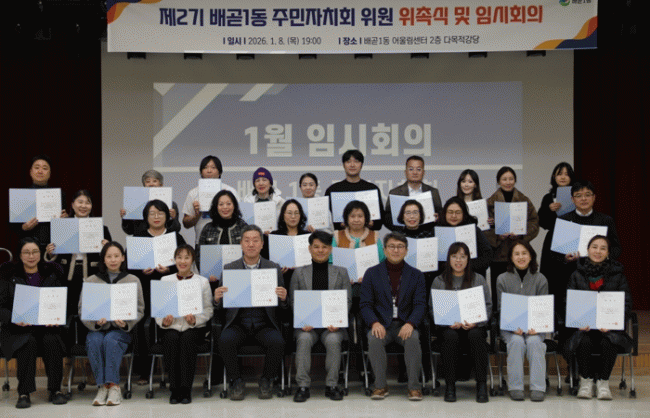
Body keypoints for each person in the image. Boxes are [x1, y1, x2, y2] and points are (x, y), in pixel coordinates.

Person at [213, 225, 288, 401]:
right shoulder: (230, 268)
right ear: (241, 244)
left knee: (278, 342)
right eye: (247, 240)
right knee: (225, 340)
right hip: (238, 323)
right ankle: (236, 381)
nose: (251, 244)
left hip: (264, 323)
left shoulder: (273, 268)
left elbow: (283, 308)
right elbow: (220, 307)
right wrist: (216, 299)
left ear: (262, 244)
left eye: (255, 240)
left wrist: (284, 299)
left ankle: (266, 380)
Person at [0, 238, 67, 408]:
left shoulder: (52, 273)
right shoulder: (9, 276)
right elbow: (1, 307)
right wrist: (14, 318)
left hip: (47, 327)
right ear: (20, 255)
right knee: (27, 342)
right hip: (18, 329)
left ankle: (56, 390)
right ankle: (24, 393)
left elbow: (62, 302)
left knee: (51, 340)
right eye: (26, 252)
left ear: (40, 253)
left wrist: (57, 318)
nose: (31, 256)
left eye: (35, 252)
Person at [359, 232, 426, 401]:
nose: (396, 250)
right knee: (374, 338)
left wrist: (411, 323)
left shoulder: (416, 274)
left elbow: (420, 304)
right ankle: (380, 386)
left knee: (413, 338)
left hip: (405, 324)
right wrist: (374, 323)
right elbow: (365, 304)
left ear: (406, 250)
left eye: (400, 247)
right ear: (384, 250)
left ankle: (414, 387)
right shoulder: (371, 273)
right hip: (381, 324)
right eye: (392, 246)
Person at [566, 235, 632, 401]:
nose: (598, 251)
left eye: (603, 248)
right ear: (587, 250)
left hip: (609, 328)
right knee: (584, 340)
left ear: (608, 253)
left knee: (609, 341)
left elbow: (626, 304)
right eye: (594, 247)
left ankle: (603, 383)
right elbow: (568, 302)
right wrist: (577, 322)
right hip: (584, 328)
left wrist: (613, 324)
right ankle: (586, 382)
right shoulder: (576, 274)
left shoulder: (618, 274)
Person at [289, 231, 352, 402]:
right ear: (310, 249)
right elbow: (293, 300)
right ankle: (303, 386)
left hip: (332, 326)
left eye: (324, 247)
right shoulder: (299, 273)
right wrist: (303, 320)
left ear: (330, 249)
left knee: (333, 340)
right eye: (316, 247)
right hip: (307, 326)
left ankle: (332, 385)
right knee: (303, 339)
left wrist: (337, 321)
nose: (320, 250)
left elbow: (347, 300)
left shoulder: (341, 272)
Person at [541, 180, 622, 311]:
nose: (583, 199)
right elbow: (554, 253)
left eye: (587, 195)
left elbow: (617, 248)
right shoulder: (563, 220)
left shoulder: (605, 220)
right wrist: (565, 258)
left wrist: (602, 256)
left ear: (594, 197)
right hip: (570, 275)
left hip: (599, 276)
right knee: (572, 314)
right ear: (572, 199)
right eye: (578, 195)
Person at [80, 242, 145, 406]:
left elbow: (140, 309)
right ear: (103, 259)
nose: (113, 260)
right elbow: (82, 309)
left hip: (121, 330)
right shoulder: (91, 280)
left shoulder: (133, 280)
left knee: (111, 339)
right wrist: (95, 323)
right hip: (98, 329)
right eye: (109, 256)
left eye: (116, 256)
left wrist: (126, 323)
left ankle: (114, 386)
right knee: (94, 340)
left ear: (123, 258)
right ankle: (102, 387)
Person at [132, 199, 187, 384]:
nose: (156, 217)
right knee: (143, 329)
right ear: (146, 217)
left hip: (170, 288)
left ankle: (173, 369)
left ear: (167, 216)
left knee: (170, 327)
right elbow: (129, 267)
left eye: (160, 213)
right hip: (145, 289)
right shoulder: (138, 237)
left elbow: (186, 263)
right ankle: (144, 371)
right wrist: (141, 270)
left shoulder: (176, 237)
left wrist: (170, 270)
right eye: (152, 213)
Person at [431, 242, 492, 403]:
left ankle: (481, 384)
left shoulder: (478, 279)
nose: (458, 260)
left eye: (462, 256)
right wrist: (447, 322)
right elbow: (432, 308)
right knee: (450, 336)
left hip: (473, 327)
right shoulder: (439, 281)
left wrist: (476, 322)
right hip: (449, 328)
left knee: (476, 335)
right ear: (448, 259)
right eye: (454, 256)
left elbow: (487, 306)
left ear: (468, 259)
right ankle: (450, 385)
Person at [156, 245, 213, 404]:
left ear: (192, 260)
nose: (183, 261)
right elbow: (158, 311)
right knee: (171, 339)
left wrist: (195, 320)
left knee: (187, 339)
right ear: (174, 260)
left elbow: (209, 310)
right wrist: (163, 322)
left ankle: (186, 389)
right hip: (172, 326)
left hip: (194, 328)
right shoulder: (165, 280)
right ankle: (174, 389)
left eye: (187, 257)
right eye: (179, 257)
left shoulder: (202, 282)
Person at [44, 190, 112, 317]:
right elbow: (54, 255)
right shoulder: (61, 225)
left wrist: (107, 248)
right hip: (65, 275)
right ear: (72, 204)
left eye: (87, 202)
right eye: (80, 202)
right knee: (67, 314)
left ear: (91, 206)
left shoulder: (102, 229)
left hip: (93, 275)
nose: (83, 206)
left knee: (90, 313)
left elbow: (111, 256)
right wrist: (51, 252)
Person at [496, 240, 548, 402]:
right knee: (517, 342)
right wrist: (512, 327)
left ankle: (538, 387)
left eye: (524, 253)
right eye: (517, 254)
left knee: (534, 342)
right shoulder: (502, 279)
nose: (521, 257)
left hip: (535, 328)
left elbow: (544, 308)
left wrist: (537, 327)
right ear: (511, 258)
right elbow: (501, 308)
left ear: (531, 256)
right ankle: (515, 386)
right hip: (510, 328)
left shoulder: (540, 279)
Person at [484, 166, 539, 308]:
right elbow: (483, 229)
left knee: (521, 291)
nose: (508, 182)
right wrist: (497, 235)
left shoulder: (524, 200)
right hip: (499, 255)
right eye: (504, 179)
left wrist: (521, 233)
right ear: (498, 182)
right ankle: (499, 318)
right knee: (499, 292)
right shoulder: (489, 203)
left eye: (511, 179)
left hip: (519, 252)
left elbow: (534, 222)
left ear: (515, 180)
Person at [14, 155, 68, 253]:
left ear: (50, 173)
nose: (40, 171)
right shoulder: (21, 195)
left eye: (45, 168)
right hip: (28, 247)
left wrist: (65, 220)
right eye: (37, 167)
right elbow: (12, 228)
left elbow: (65, 229)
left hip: (52, 248)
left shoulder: (59, 195)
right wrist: (23, 227)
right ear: (31, 172)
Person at [538, 163, 575, 303]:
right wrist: (549, 209)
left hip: (572, 238)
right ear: (554, 176)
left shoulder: (577, 196)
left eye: (567, 174)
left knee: (570, 276)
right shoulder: (548, 197)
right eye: (560, 174)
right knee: (551, 276)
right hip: (552, 240)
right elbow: (543, 223)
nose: (563, 177)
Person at [182, 155, 239, 245]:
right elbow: (186, 224)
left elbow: (239, 217)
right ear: (201, 172)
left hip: (229, 242)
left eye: (213, 167)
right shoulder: (193, 193)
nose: (209, 171)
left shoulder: (230, 191)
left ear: (220, 172)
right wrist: (197, 215)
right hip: (202, 241)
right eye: (205, 168)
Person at [324, 149, 385, 231]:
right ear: (343, 165)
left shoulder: (372, 189)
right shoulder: (333, 190)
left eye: (356, 161)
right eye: (348, 162)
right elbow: (326, 219)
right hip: (340, 236)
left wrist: (371, 223)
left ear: (361, 165)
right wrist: (339, 224)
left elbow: (380, 219)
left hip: (367, 236)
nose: (352, 165)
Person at [196, 190, 248, 279]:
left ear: (234, 206)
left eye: (228, 204)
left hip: (240, 278)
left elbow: (250, 251)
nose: (225, 207)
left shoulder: (243, 226)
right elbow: (199, 255)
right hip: (213, 279)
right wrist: (206, 274)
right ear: (216, 207)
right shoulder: (208, 228)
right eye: (221, 204)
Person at [437, 197, 493, 278]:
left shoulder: (474, 230)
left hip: (471, 277)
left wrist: (466, 266)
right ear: (444, 213)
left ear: (464, 213)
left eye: (458, 212)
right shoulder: (437, 231)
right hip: (445, 278)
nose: (454, 216)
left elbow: (487, 256)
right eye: (450, 212)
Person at [384, 156, 443, 231]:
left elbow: (441, 215)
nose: (415, 172)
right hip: (402, 234)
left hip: (426, 233)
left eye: (418, 169)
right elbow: (387, 218)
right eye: (411, 169)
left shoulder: (433, 192)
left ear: (423, 172)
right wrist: (401, 231)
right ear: (405, 172)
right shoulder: (395, 192)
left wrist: (438, 218)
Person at [263, 199, 309, 289]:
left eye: (296, 213)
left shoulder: (307, 236)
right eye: (289, 213)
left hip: (304, 282)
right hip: (281, 282)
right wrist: (277, 270)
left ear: (300, 216)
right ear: (283, 215)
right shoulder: (274, 236)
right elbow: (267, 262)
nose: (293, 216)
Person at [120, 169, 181, 236]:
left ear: (161, 185)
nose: (151, 184)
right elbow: (129, 230)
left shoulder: (171, 205)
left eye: (155, 181)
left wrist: (173, 219)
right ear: (144, 185)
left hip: (163, 240)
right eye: (148, 181)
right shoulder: (135, 204)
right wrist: (125, 218)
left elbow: (176, 230)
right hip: (140, 239)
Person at [243, 167, 285, 232]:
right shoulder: (247, 203)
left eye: (264, 180)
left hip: (275, 235)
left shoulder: (281, 202)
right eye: (257, 181)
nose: (261, 183)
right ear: (254, 185)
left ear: (270, 183)